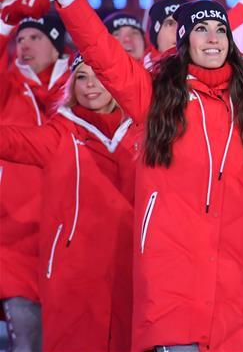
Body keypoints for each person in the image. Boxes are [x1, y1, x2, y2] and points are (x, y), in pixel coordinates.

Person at [29, 0, 243, 352]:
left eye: (219, 29)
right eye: (200, 29)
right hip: (173, 285)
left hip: (238, 288)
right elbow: (101, 51)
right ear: (184, 41)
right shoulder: (154, 96)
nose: (211, 37)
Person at [0, 56, 139, 351]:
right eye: (82, 77)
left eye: (98, 76)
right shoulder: (59, 134)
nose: (90, 86)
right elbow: (10, 141)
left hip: (133, 273)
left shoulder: (143, 132)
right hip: (75, 277)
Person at [0, 0, 71, 352]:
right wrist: (5, 24)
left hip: (72, 241)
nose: (24, 44)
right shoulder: (7, 87)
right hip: (15, 240)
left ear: (57, 45)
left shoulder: (82, 86)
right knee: (26, 341)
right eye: (21, 38)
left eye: (36, 37)